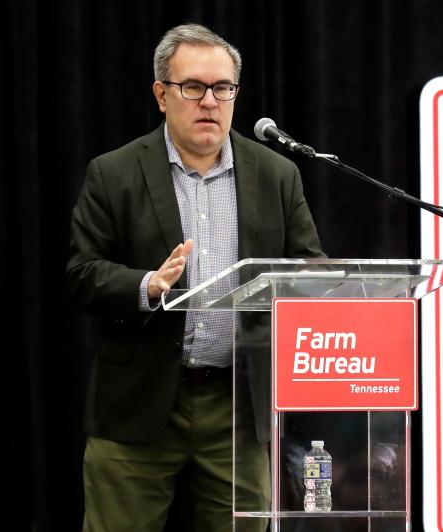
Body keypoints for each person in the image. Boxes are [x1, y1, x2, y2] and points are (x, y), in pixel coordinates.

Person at [65, 23, 324, 531]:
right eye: (193, 87)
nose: (210, 101)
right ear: (162, 95)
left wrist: (320, 281)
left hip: (239, 407)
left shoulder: (276, 174)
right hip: (138, 404)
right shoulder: (114, 173)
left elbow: (306, 268)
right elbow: (81, 274)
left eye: (222, 88)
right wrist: (147, 286)